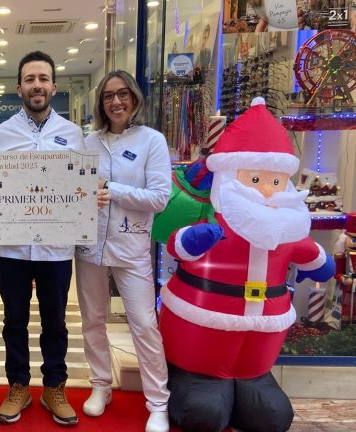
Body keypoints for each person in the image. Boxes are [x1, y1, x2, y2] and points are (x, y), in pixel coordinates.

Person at [159, 98, 334, 432]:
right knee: (204, 411)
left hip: (259, 345)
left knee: (272, 416)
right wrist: (192, 241)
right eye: (255, 180)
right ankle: (196, 381)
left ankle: (251, 382)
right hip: (199, 339)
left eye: (275, 181)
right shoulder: (213, 220)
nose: (267, 189)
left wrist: (320, 262)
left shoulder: (288, 229)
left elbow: (321, 267)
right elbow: (177, 245)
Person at [0, 51, 84, 426]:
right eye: (30, 78)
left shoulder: (72, 134)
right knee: (14, 319)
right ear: (19, 87)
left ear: (54, 86)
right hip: (12, 247)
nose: (37, 85)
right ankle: (18, 385)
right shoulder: (1, 134)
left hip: (55, 248)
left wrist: (90, 193)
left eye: (43, 78)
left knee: (56, 321)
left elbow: (79, 186)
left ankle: (54, 387)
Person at [74, 70, 171, 432]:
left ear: (134, 98)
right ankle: (100, 385)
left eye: (123, 94)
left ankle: (158, 402)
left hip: (131, 247)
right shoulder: (88, 143)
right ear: (100, 103)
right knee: (92, 322)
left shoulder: (152, 141)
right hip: (89, 246)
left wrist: (111, 189)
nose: (116, 102)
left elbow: (160, 198)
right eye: (109, 96)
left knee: (144, 324)